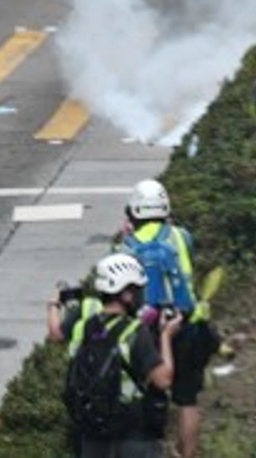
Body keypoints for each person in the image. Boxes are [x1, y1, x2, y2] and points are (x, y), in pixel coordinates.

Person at [115, 179, 216, 458]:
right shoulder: (182, 237)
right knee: (187, 400)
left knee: (149, 396)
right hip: (187, 324)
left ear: (132, 213)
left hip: (148, 332)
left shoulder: (125, 249)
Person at [49, 251, 177, 458]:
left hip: (91, 434)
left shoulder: (83, 328)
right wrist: (166, 336)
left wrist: (53, 306)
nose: (140, 296)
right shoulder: (134, 331)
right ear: (125, 294)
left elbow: (56, 335)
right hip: (133, 435)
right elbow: (163, 380)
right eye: (137, 290)